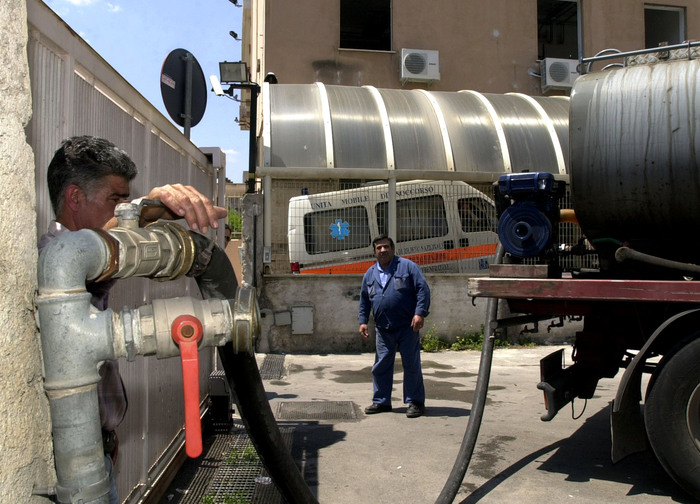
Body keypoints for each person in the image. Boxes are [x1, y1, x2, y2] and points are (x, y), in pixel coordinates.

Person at [37, 135, 227, 504]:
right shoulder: (56, 261)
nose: (123, 209)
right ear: (75, 198)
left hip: (98, 451)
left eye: (126, 199)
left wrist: (108, 440)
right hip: (74, 466)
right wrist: (143, 207)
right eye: (115, 199)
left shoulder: (91, 262)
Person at [359, 234, 431, 418]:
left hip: (407, 326)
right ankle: (381, 401)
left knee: (411, 364)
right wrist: (363, 322)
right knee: (381, 365)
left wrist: (419, 313)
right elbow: (365, 300)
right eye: (379, 248)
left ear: (392, 249)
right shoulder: (370, 273)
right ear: (374, 252)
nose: (383, 250)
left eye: (386, 247)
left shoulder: (407, 267)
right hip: (383, 329)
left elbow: (422, 289)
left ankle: (415, 402)